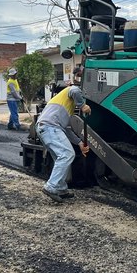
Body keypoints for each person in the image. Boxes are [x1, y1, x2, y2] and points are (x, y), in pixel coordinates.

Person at [35, 66, 90, 202]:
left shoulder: (65, 106)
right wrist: (83, 105)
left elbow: (67, 129)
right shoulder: (71, 90)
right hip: (49, 127)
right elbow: (74, 90)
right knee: (67, 154)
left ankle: (60, 187)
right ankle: (51, 186)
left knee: (61, 157)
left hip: (47, 128)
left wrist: (80, 144)